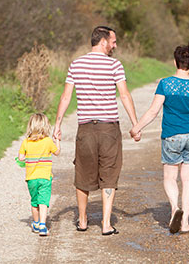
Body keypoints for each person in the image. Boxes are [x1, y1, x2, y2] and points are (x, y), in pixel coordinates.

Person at [53, 26, 139, 235]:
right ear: (103, 42)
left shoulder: (76, 64)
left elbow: (66, 97)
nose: (115, 45)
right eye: (113, 41)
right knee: (109, 173)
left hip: (85, 129)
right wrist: (135, 124)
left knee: (83, 172)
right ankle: (106, 224)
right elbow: (125, 95)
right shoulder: (114, 65)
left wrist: (57, 124)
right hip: (109, 128)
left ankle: (82, 221)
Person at [130, 45, 189, 234]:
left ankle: (174, 209)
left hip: (172, 136)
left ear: (174, 62)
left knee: (170, 177)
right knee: (188, 179)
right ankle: (185, 221)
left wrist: (136, 128)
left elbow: (154, 111)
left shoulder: (165, 84)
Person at [17, 113, 61, 236]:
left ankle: (36, 223)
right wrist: (57, 140)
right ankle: (42, 225)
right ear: (45, 127)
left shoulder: (26, 142)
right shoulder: (47, 141)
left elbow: (20, 158)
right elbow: (57, 152)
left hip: (31, 178)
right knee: (43, 202)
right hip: (45, 177)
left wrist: (26, 157)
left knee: (34, 201)